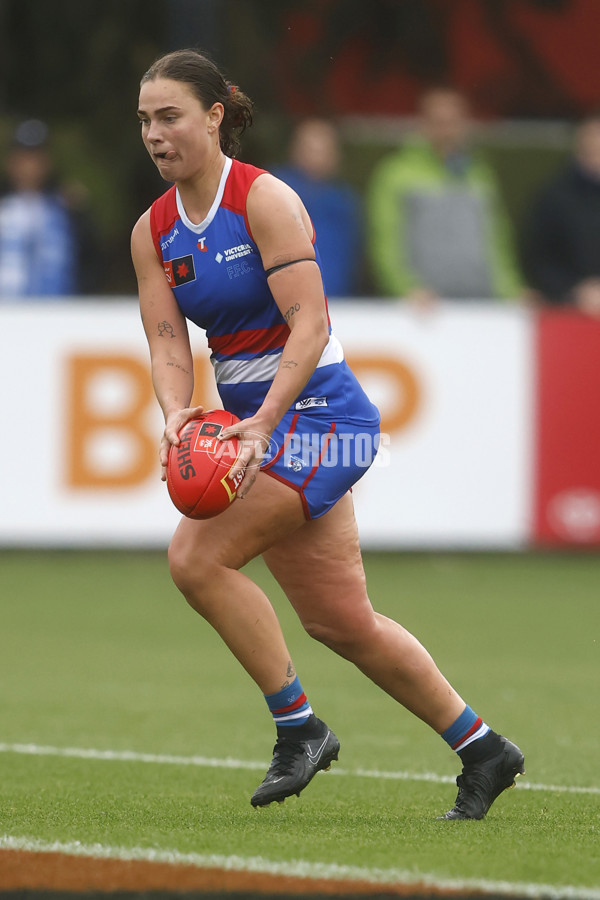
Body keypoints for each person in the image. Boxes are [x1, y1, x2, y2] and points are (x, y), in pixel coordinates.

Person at [131, 49, 524, 819]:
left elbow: (310, 324)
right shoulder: (154, 231)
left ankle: (299, 727)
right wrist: (175, 409)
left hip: (325, 422)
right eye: (144, 120)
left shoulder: (265, 200)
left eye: (170, 116)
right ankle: (484, 749)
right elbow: (168, 343)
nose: (154, 133)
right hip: (263, 430)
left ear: (214, 117)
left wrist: (262, 427)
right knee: (341, 621)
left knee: (195, 556)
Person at [366, 87, 523, 304]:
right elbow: (385, 240)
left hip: (484, 305)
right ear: (423, 124)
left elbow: (496, 240)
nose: (448, 131)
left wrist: (511, 291)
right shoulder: (396, 173)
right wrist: (405, 289)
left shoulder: (480, 174)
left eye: (454, 122)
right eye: (439, 122)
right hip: (424, 308)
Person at [0, 119, 101, 299]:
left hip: (59, 312)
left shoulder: (68, 209)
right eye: (23, 157)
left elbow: (90, 258)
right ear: (11, 161)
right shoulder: (5, 208)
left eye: (36, 157)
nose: (29, 166)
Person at [272, 118, 363, 298]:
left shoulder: (345, 200)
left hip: (339, 301)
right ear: (295, 150)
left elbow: (353, 257)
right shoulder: (272, 191)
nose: (318, 157)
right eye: (311, 149)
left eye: (325, 150)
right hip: (282, 302)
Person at [521, 112, 600, 317]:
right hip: (568, 313)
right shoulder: (554, 196)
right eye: (591, 139)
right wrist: (576, 289)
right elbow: (538, 257)